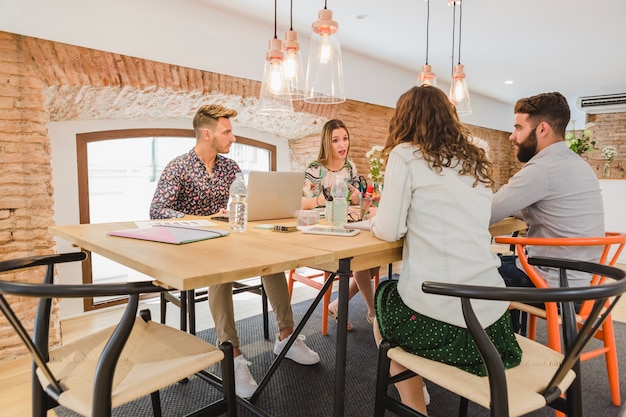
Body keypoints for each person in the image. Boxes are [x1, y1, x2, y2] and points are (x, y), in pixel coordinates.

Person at [369, 85, 522, 414]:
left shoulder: (405, 155)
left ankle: (415, 404)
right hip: (492, 323)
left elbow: (389, 229)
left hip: (448, 325)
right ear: (450, 119)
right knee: (400, 299)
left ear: (404, 120)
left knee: (384, 300)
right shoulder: (475, 161)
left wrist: (373, 221)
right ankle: (419, 386)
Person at [149, 104, 320, 399]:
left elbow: (242, 203)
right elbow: (156, 211)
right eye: (227, 131)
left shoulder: (230, 168)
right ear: (207, 134)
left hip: (230, 240)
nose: (233, 137)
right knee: (222, 273)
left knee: (273, 262)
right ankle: (233, 356)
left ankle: (286, 337)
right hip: (193, 245)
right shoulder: (178, 166)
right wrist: (205, 220)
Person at [490, 92, 605, 331]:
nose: (512, 136)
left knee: (470, 271)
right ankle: (508, 341)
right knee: (496, 263)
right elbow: (549, 209)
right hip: (584, 284)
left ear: (542, 129)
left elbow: (486, 213)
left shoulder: (541, 169)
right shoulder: (578, 165)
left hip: (554, 286)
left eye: (518, 127)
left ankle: (495, 350)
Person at [301, 119, 379, 330]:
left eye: (345, 139)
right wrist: (322, 200)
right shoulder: (315, 169)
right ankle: (374, 313)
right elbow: (301, 202)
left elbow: (355, 199)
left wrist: (356, 197)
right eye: (336, 140)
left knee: (374, 259)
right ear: (327, 143)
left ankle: (337, 304)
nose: (342, 144)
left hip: (348, 225)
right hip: (322, 230)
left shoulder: (349, 166)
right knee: (362, 258)